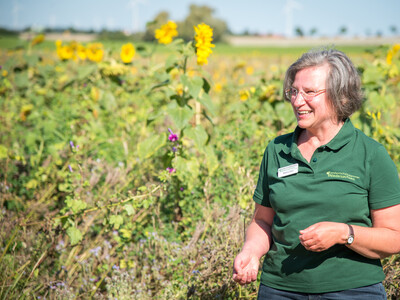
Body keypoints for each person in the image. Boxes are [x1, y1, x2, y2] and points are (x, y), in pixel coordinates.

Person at [232, 48, 400, 299]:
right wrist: (251, 252)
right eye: (294, 91)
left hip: (353, 291)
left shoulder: (370, 154)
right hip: (280, 289)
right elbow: (263, 220)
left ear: (341, 97)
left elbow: (394, 237)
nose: (298, 101)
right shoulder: (277, 150)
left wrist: (344, 234)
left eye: (310, 92)